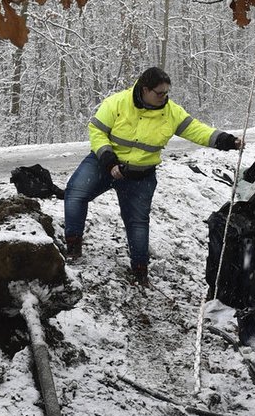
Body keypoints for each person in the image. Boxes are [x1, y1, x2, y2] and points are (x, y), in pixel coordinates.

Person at [63, 67, 241, 285]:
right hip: (104, 162)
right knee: (74, 193)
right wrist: (109, 160)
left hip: (140, 176)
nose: (164, 97)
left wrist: (226, 141)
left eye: (166, 92)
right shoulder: (117, 103)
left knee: (137, 222)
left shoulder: (171, 112)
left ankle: (139, 271)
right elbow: (97, 131)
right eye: (159, 93)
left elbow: (197, 130)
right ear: (145, 89)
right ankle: (72, 245)